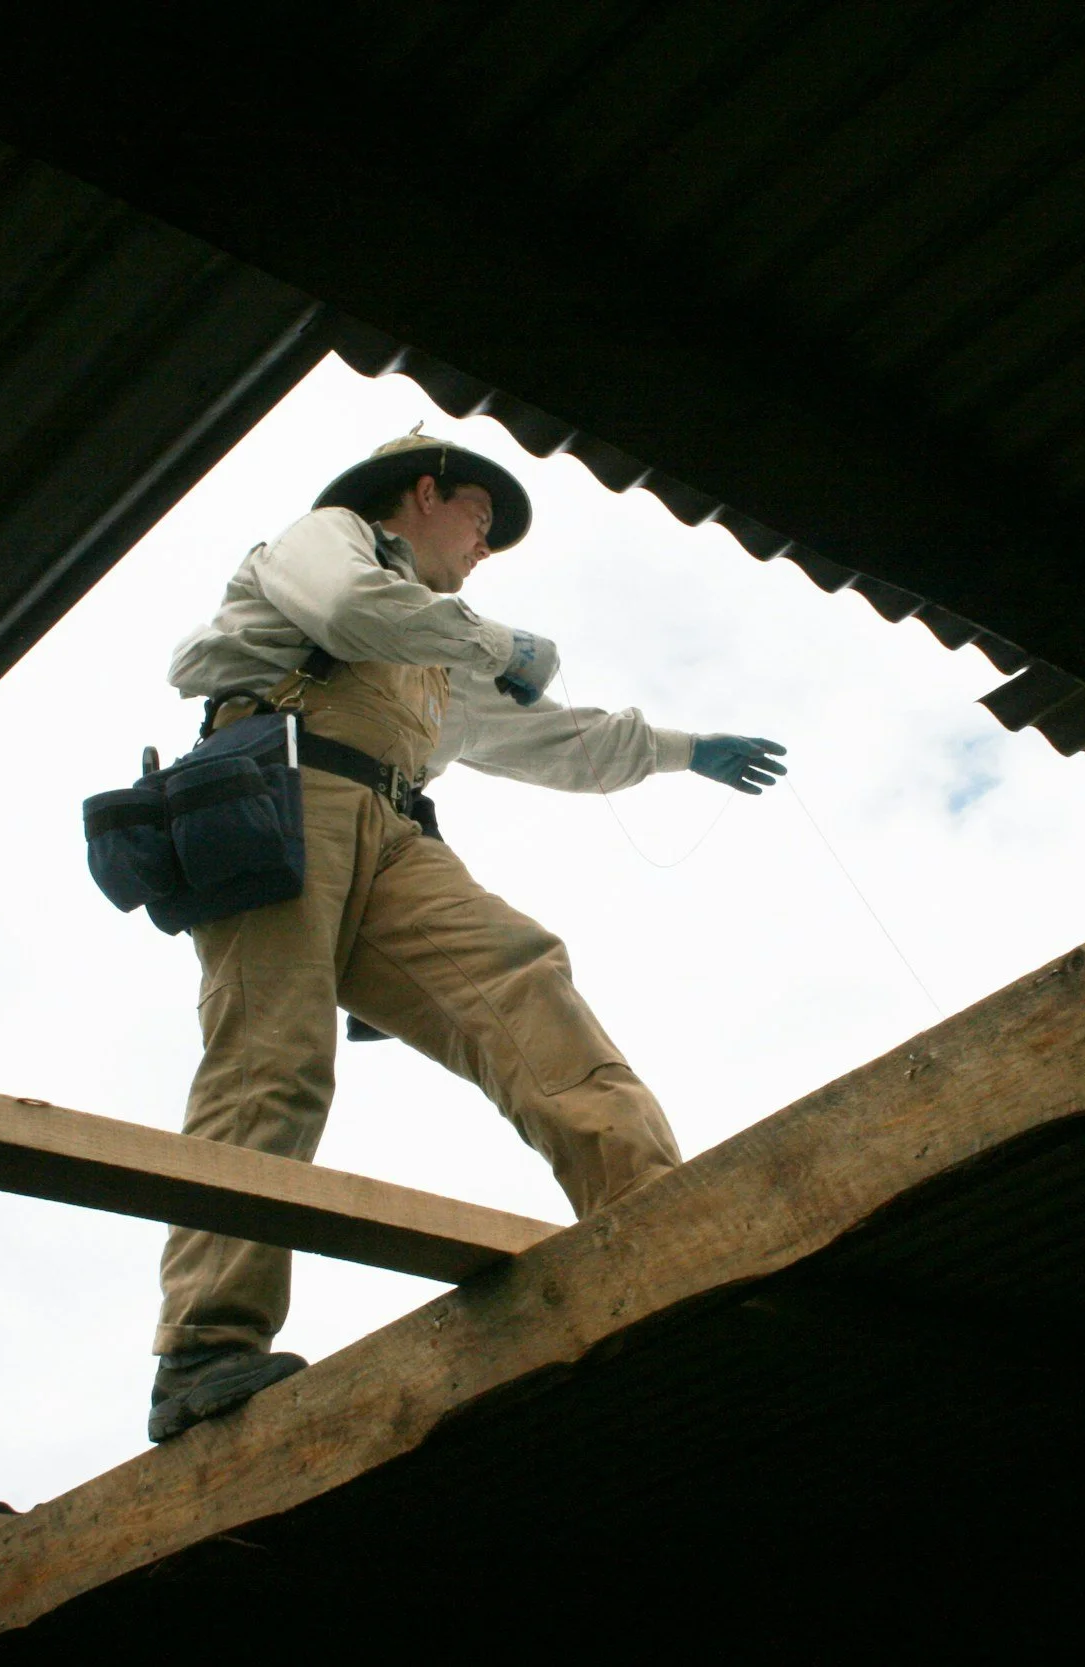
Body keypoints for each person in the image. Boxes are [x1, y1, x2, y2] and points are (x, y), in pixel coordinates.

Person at [146, 427, 788, 1442]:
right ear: (425, 491)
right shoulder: (328, 537)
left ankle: (661, 1225)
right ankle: (204, 1347)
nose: (486, 546)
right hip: (276, 792)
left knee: (521, 976)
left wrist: (680, 748)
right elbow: (352, 609)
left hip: (393, 829)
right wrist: (500, 641)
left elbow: (548, 739)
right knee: (274, 1055)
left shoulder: (436, 654)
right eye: (480, 519)